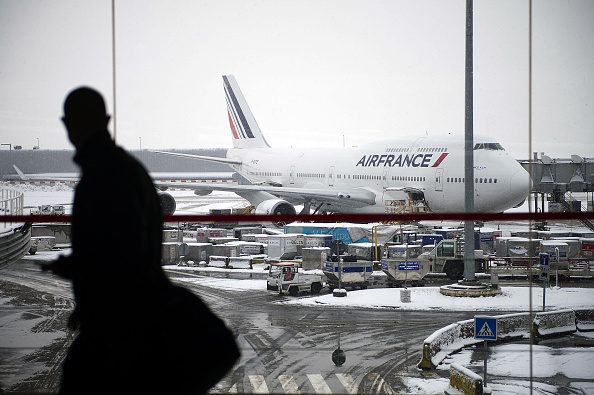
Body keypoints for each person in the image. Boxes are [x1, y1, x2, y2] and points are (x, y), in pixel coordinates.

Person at [45, 87, 239, 394]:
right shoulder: (129, 170)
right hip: (133, 311)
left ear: (67, 125)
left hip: (120, 319)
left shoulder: (101, 178)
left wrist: (82, 274)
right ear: (106, 120)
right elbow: (129, 244)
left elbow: (121, 255)